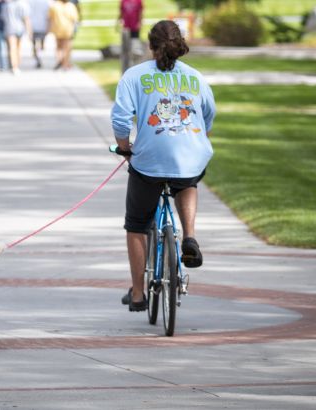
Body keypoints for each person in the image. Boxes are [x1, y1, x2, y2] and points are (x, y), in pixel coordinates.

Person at [110, 20, 216, 312]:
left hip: (150, 162)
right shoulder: (195, 77)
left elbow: (120, 119)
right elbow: (208, 113)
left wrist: (124, 147)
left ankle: (138, 295)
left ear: (151, 46)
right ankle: (190, 236)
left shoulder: (134, 76)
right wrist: (198, 137)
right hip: (189, 157)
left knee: (136, 225)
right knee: (188, 180)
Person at [2, 0, 32, 75]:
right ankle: (16, 65)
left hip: (10, 28)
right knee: (18, 48)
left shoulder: (7, 5)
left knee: (12, 48)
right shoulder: (23, 5)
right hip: (20, 28)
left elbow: (3, 18)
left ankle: (14, 66)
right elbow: (26, 18)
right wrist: (29, 31)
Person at [48, 0, 78, 70]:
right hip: (68, 29)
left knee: (59, 47)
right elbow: (75, 19)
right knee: (67, 48)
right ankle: (65, 63)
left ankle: (60, 60)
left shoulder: (54, 6)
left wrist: (49, 28)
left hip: (57, 29)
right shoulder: (71, 6)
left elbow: (50, 18)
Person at [29, 0, 50, 69]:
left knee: (35, 45)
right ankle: (38, 58)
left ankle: (37, 57)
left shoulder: (30, 2)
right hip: (42, 26)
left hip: (34, 26)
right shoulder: (45, 2)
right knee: (40, 45)